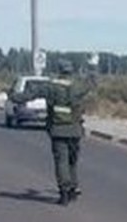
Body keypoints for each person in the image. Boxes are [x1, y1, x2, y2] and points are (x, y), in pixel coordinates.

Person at [12, 58, 97, 205]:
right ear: (71, 70)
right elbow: (92, 83)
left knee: (61, 161)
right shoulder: (78, 86)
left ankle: (64, 192)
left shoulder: (50, 87)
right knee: (72, 161)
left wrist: (13, 96)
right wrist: (93, 66)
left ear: (59, 70)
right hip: (75, 130)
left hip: (57, 129)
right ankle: (73, 188)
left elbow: (30, 95)